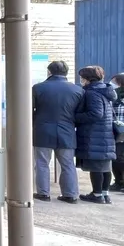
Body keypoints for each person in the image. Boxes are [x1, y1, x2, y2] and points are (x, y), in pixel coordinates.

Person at [32, 60, 84, 203]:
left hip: (42, 130)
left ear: (49, 72)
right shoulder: (78, 90)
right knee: (67, 164)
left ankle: (43, 193)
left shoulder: (37, 88)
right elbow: (79, 113)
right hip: (67, 131)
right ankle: (70, 194)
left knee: (42, 162)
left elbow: (29, 111)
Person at [75, 65, 118, 204]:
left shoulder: (92, 92)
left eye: (82, 77)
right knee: (105, 166)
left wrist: (76, 117)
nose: (81, 80)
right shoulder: (105, 91)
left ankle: (97, 194)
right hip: (105, 133)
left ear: (87, 79)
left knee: (97, 167)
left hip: (94, 134)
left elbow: (96, 113)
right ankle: (105, 194)